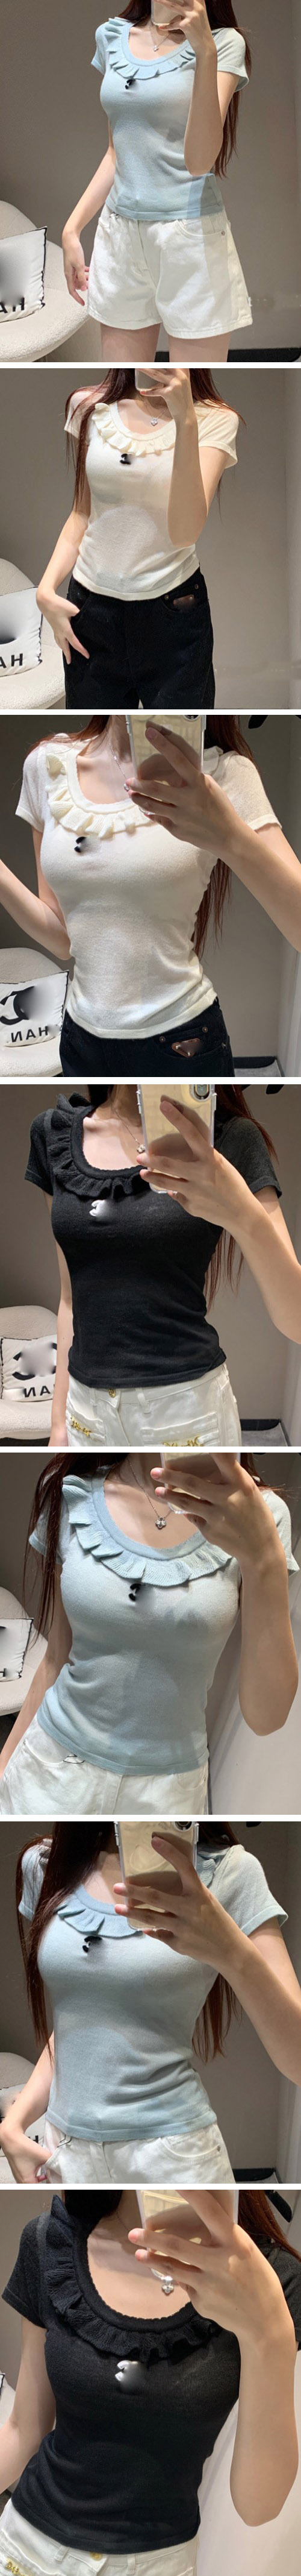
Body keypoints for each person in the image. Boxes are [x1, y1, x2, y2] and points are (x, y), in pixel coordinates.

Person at [0, 1452, 297, 1818]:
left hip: (168, 1793)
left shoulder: (260, 1514)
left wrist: (264, 1558)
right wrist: (4, 1765)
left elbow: (268, 1718)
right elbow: (55, 1659)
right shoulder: (73, 1492)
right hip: (49, 1771)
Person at [2, 714, 301, 1078]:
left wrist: (231, 838)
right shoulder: (47, 766)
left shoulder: (224, 774)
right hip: (81, 1040)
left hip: (182, 1043)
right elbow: (64, 938)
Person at [1, 1821, 301, 2184]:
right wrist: (13, 2124)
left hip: (173, 2156)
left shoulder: (231, 1873)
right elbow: (77, 2026)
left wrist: (231, 1952)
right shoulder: (47, 1865)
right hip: (64, 2151)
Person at [0, 2188, 300, 2550]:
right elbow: (23, 2430)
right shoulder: (51, 2242)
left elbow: (259, 2508)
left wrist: (270, 2335)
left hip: (158, 2562)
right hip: (26, 2546)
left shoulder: (271, 2281)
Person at [19, 1082, 301, 1450]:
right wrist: (59, 1426)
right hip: (84, 1414)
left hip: (186, 1413)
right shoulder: (53, 1135)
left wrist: (242, 1214)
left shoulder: (229, 1139)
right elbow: (71, 1299)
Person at [36, 367, 240, 709]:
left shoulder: (215, 420)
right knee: (98, 734)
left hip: (172, 612)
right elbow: (82, 513)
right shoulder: (89, 406)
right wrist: (45, 590)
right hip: (90, 610)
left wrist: (185, 420)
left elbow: (185, 533)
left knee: (178, 734)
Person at [62, 5, 252, 361]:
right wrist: (72, 229)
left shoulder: (224, 43)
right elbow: (116, 153)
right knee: (124, 383)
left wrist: (205, 51)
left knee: (192, 385)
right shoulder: (112, 36)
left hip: (190, 237)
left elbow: (199, 163)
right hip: (119, 234)